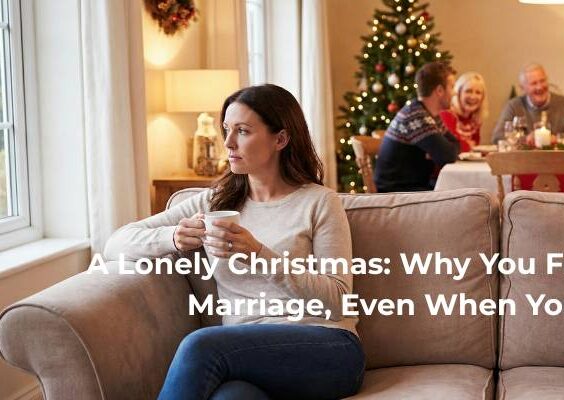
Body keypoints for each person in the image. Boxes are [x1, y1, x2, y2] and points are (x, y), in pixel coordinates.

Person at [103, 84, 365, 400]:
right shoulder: (214, 203)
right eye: (226, 130)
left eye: (241, 131)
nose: (227, 143)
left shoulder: (319, 202)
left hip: (326, 348)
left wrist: (259, 254)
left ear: (280, 139)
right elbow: (116, 243)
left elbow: (338, 300)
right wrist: (173, 237)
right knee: (231, 397)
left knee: (200, 345)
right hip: (247, 356)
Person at [374, 62, 460, 192]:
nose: (454, 93)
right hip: (397, 195)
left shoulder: (429, 115)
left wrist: (440, 151)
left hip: (413, 187)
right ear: (439, 91)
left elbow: (454, 145)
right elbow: (448, 156)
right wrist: (440, 151)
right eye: (452, 87)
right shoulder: (416, 116)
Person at [490, 63, 564, 144]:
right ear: (523, 88)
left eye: (542, 81)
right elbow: (497, 136)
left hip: (558, 161)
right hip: (525, 161)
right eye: (534, 83)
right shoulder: (513, 106)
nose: (539, 87)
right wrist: (526, 139)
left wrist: (557, 139)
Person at [440, 72, 488, 152]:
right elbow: (453, 146)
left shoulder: (475, 118)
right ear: (458, 93)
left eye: (478, 93)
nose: (473, 97)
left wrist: (467, 146)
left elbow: (474, 147)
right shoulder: (447, 114)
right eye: (468, 91)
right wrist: (467, 145)